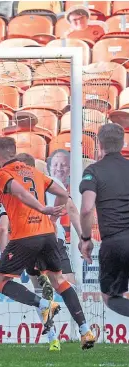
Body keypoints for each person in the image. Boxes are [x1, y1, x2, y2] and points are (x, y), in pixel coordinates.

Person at [0, 137, 95, 350]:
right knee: (59, 280)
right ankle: (85, 331)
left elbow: (18, 193)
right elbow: (64, 193)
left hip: (25, 236)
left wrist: (42, 208)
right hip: (48, 233)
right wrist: (51, 213)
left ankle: (45, 306)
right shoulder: (35, 173)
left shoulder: (1, 175)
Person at [79, 123, 129, 318]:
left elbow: (86, 209)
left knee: (111, 297)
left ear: (98, 144)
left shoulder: (94, 171)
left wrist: (85, 239)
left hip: (115, 243)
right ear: (123, 143)